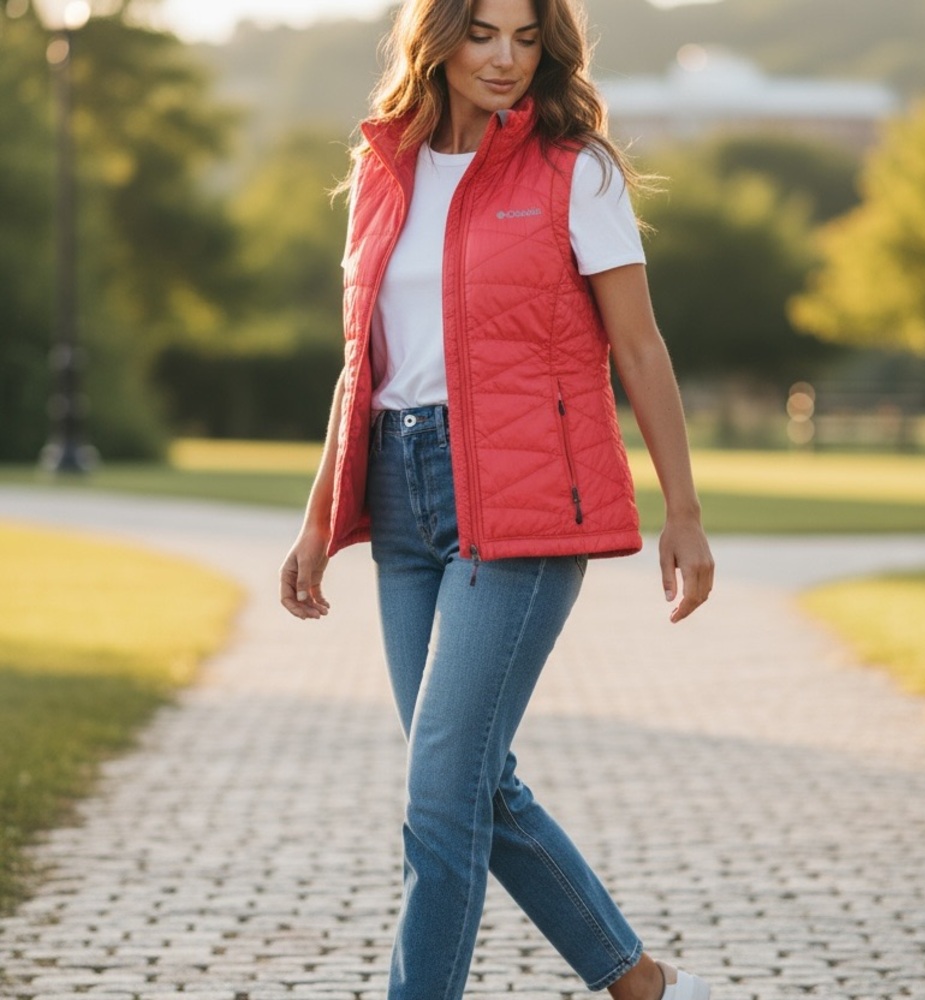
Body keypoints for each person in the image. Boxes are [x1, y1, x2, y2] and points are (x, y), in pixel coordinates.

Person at [280, 0, 715, 996]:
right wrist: (317, 522)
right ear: (436, 38)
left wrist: (681, 509)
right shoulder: (383, 172)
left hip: (523, 504)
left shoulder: (576, 171)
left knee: (439, 796)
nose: (507, 59)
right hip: (402, 494)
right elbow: (362, 366)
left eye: (526, 39)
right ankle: (637, 979)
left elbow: (639, 346)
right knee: (470, 781)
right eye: (483, 34)